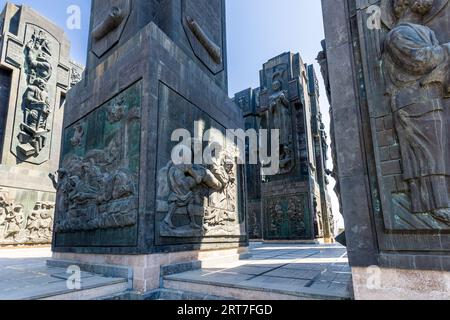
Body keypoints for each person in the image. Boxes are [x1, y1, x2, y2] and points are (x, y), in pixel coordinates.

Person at [384, 0, 450, 222]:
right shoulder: (398, 34)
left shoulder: (427, 32)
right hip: (412, 101)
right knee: (425, 153)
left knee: (438, 150)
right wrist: (447, 49)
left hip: (431, 96)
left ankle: (437, 203)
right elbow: (418, 61)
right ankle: (434, 204)